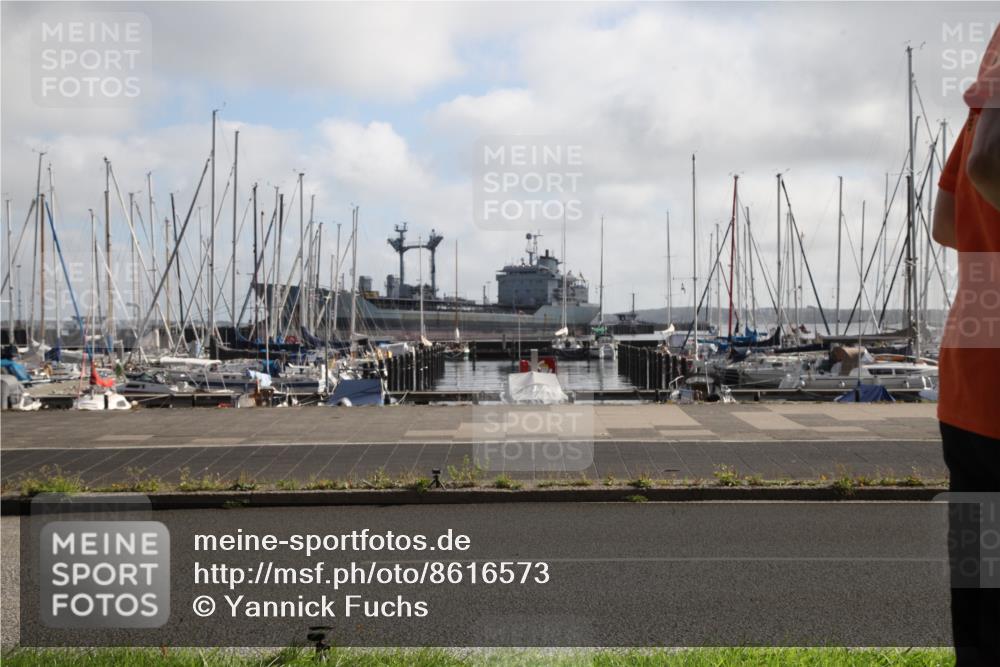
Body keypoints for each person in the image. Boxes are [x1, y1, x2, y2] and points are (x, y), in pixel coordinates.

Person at [932, 23, 1000, 667]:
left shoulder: (974, 120)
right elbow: (986, 169)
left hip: (968, 372)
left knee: (980, 585)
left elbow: (946, 222)